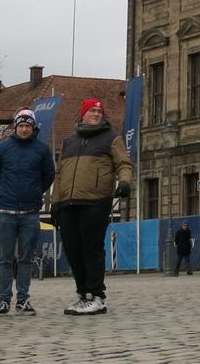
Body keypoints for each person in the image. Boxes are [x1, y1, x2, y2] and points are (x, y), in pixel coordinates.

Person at [51, 98, 132, 317]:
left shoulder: (111, 139)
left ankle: (97, 296)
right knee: (73, 251)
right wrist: (55, 203)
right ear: (83, 113)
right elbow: (59, 175)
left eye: (99, 111)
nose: (96, 114)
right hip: (69, 203)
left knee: (92, 249)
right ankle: (83, 294)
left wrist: (124, 181)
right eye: (92, 110)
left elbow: (123, 163)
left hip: (95, 202)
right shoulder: (69, 141)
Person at [0, 108, 54, 315]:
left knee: (26, 258)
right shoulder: (2, 149)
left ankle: (23, 299)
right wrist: (4, 192)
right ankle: (4, 300)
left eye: (28, 126)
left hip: (30, 211)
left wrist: (34, 192)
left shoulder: (42, 150)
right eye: (21, 125)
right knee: (6, 259)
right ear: (15, 127)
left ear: (33, 128)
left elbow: (48, 175)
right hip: (5, 211)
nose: (24, 129)